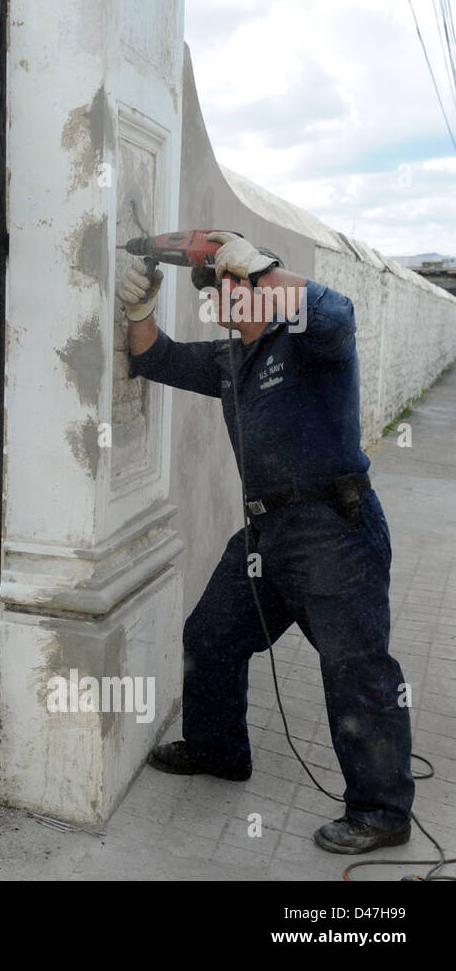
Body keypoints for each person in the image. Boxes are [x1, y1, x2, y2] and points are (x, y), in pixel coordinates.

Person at [117, 231, 414, 854]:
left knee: (356, 670)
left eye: (222, 282)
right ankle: (218, 750)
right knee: (210, 637)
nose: (214, 295)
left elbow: (339, 313)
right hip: (266, 534)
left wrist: (258, 266)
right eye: (211, 285)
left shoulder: (310, 343)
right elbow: (155, 358)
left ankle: (381, 810)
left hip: (334, 530)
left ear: (253, 286)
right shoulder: (230, 361)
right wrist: (139, 309)